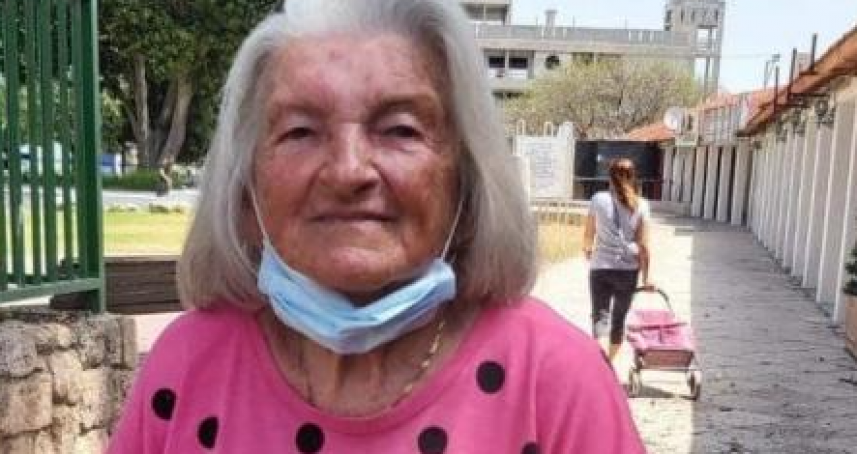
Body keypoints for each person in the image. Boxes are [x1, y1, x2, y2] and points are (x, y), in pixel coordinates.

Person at [108, 1, 645, 452]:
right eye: (300, 131)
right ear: (246, 192)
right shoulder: (187, 368)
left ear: (465, 183)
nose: (348, 171)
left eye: (400, 130)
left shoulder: (555, 383)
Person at [582, 158, 653, 362]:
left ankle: (598, 363)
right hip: (628, 271)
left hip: (600, 268)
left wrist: (588, 250)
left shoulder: (597, 199)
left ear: (610, 177)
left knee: (600, 316)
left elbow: (588, 235)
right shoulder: (642, 205)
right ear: (633, 177)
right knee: (619, 320)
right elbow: (644, 246)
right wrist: (647, 277)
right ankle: (608, 363)